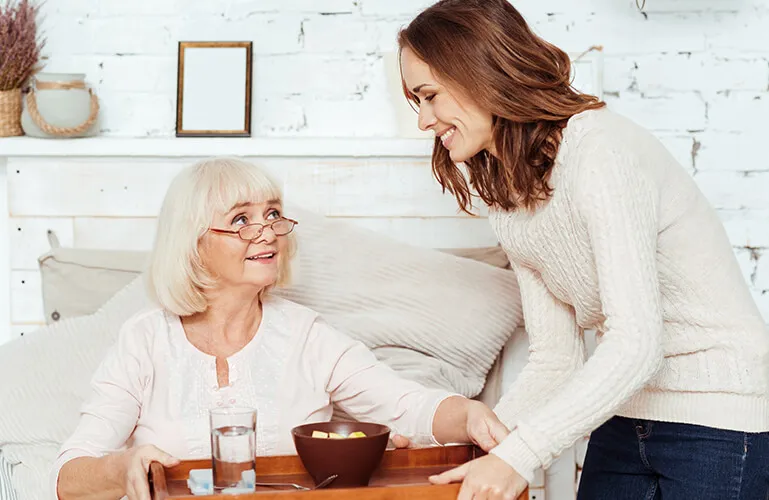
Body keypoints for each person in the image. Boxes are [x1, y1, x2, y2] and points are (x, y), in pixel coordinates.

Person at [398, 1, 769, 499]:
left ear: (479, 74)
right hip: (625, 415)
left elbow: (637, 343)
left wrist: (520, 455)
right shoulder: (509, 198)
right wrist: (475, 446)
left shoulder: (599, 149)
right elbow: (556, 361)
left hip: (720, 421)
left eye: (429, 96)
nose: (423, 120)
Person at [52, 157, 510, 500]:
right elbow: (67, 477)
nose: (267, 231)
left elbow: (408, 406)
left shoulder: (307, 336)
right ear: (192, 242)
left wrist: (469, 415)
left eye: (273, 214)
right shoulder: (144, 341)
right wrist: (124, 467)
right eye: (241, 220)